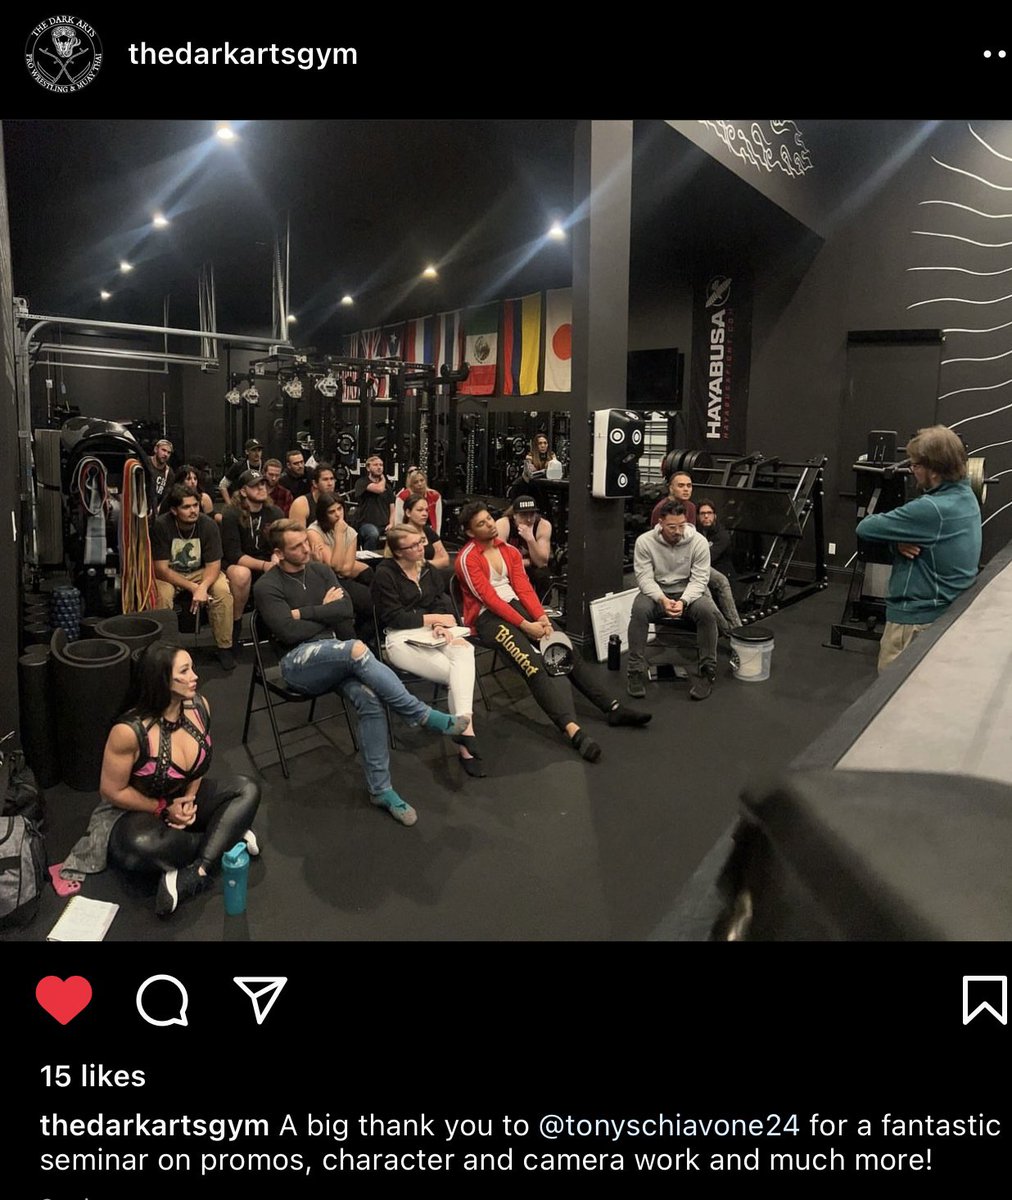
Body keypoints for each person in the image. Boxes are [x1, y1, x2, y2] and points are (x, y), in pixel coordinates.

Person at [255, 521, 471, 826]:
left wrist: (305, 612)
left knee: (370, 698)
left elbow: (346, 610)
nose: (306, 549)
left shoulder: (320, 571)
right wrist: (325, 610)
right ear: (279, 553)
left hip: (338, 654)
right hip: (297, 662)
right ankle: (419, 714)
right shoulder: (267, 586)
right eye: (296, 547)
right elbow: (288, 632)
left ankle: (381, 790)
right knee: (356, 648)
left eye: (305, 541)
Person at [455, 502, 650, 762]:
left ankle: (612, 707)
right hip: (487, 618)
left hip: (516, 606)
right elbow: (489, 599)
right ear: (470, 532)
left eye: (490, 518)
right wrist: (525, 625)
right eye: (481, 523)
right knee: (532, 666)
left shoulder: (509, 550)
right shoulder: (467, 558)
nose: (490, 524)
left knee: (564, 647)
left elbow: (523, 589)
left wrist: (541, 618)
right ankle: (573, 731)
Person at [92, 643, 260, 917]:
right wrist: (162, 808)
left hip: (182, 796)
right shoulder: (128, 731)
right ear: (161, 679)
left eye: (192, 668)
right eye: (184, 671)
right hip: (141, 808)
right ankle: (227, 837)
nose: (195, 676)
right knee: (139, 845)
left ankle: (197, 871)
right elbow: (112, 790)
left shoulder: (200, 707)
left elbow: (199, 764)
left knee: (247, 788)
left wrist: (189, 799)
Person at [855, 424, 981, 670]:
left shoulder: (930, 509)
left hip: (914, 622)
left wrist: (896, 537)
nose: (912, 471)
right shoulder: (967, 497)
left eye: (915, 465)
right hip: (946, 615)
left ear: (932, 470)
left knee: (890, 691)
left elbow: (866, 527)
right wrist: (898, 541)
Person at [373, 524, 483, 777]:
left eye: (421, 542)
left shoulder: (428, 569)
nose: (421, 548)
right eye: (412, 546)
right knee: (459, 675)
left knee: (464, 649)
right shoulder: (385, 574)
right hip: (399, 638)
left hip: (431, 633)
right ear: (398, 552)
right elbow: (395, 617)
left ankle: (464, 728)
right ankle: (465, 737)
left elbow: (439, 602)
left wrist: (440, 625)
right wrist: (434, 618)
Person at [627, 500, 722, 702]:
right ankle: (634, 671)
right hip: (657, 592)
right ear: (660, 523)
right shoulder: (644, 542)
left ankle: (708, 671)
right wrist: (661, 599)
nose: (678, 531)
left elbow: (700, 579)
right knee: (639, 609)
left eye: (681, 525)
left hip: (687, 592)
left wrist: (684, 601)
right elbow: (644, 579)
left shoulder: (698, 542)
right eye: (672, 527)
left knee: (707, 611)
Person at [151, 484, 237, 670]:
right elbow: (160, 569)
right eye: (186, 507)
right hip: (171, 574)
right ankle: (165, 650)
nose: (193, 511)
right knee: (162, 595)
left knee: (222, 590)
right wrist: (193, 588)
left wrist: (203, 586)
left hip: (200, 572)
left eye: (195, 505)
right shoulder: (162, 525)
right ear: (174, 510)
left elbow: (214, 565)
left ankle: (225, 647)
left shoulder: (208, 525)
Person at [220, 469, 284, 645]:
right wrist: (264, 565)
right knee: (242, 574)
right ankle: (235, 624)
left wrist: (276, 555)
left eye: (263, 484)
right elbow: (233, 554)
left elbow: (281, 543)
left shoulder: (275, 512)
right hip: (238, 563)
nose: (261, 488)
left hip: (267, 560)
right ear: (243, 491)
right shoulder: (231, 514)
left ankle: (279, 626)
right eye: (255, 486)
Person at [695, 499, 742, 630]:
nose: (706, 516)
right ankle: (726, 629)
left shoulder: (722, 535)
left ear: (715, 515)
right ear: (698, 516)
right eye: (702, 513)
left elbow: (707, 558)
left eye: (709, 513)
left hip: (722, 573)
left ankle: (735, 628)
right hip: (703, 570)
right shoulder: (696, 532)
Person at [495, 495, 552, 600]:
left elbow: (542, 563)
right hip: (509, 568)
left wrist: (530, 539)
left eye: (532, 514)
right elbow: (499, 560)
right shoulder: (503, 524)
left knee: (543, 574)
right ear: (515, 515)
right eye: (524, 515)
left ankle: (543, 605)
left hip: (529, 567)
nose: (529, 519)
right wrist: (528, 562)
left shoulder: (543, 525)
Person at [385, 494, 450, 571]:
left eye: (426, 510)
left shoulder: (429, 531)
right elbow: (392, 563)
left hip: (430, 574)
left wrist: (424, 564)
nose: (425, 514)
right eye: (420, 510)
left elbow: (445, 561)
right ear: (408, 512)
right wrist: (435, 562)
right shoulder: (398, 533)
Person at [351, 454, 396, 550]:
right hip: (365, 524)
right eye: (375, 465)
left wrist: (391, 524)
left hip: (384, 525)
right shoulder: (362, 482)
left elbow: (392, 508)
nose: (379, 467)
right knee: (372, 533)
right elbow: (379, 489)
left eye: (381, 465)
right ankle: (369, 558)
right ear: (368, 468)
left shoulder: (388, 487)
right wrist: (383, 479)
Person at [289, 462, 337, 528]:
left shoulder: (337, 503)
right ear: (315, 483)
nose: (330, 483)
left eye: (332, 479)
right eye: (325, 479)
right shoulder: (301, 504)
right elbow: (297, 533)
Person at [394, 468, 443, 533]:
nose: (420, 484)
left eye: (422, 480)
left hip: (430, 531)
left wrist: (436, 536)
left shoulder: (435, 496)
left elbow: (438, 520)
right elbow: (398, 521)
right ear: (411, 485)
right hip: (408, 531)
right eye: (416, 482)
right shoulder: (402, 497)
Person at [219, 438, 264, 504]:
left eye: (259, 450)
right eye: (253, 450)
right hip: (241, 503)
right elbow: (222, 485)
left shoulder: (266, 466)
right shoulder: (238, 466)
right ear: (247, 452)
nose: (257, 453)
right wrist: (229, 505)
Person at [148, 437, 174, 507]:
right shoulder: (145, 462)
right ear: (156, 449)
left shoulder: (169, 472)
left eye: (168, 452)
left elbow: (166, 496)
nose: (166, 454)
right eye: (163, 450)